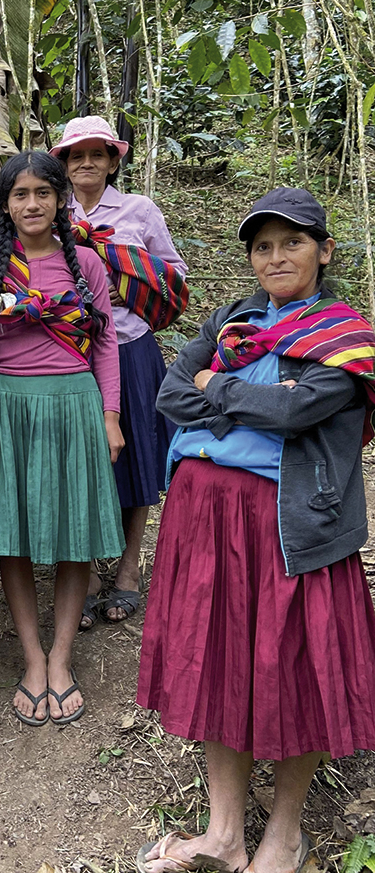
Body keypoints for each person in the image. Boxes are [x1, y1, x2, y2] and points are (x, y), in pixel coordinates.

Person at [136, 188, 375, 873]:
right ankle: (224, 833)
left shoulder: (345, 339)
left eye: (292, 243)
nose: (276, 257)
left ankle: (285, 834)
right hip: (204, 516)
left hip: (288, 524)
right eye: (263, 246)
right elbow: (169, 393)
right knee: (218, 665)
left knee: (293, 667)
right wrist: (243, 399)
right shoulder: (232, 320)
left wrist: (219, 390)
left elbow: (299, 413)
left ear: (323, 251)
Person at [0, 150, 124, 726]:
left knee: (72, 532)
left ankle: (62, 658)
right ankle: (32, 659)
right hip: (9, 408)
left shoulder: (87, 264)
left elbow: (105, 344)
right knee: (14, 535)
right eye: (19, 195)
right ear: (4, 206)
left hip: (74, 404)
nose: (31, 204)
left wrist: (109, 415)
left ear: (60, 200)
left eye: (42, 193)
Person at [48, 115, 189, 627]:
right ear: (64, 164)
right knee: (78, 461)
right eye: (76, 155)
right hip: (66, 356)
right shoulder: (49, 208)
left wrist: (117, 261)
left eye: (97, 154)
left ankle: (128, 567)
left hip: (130, 348)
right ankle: (82, 571)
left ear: (113, 160)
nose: (87, 162)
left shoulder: (138, 210)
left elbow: (172, 277)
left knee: (135, 457)